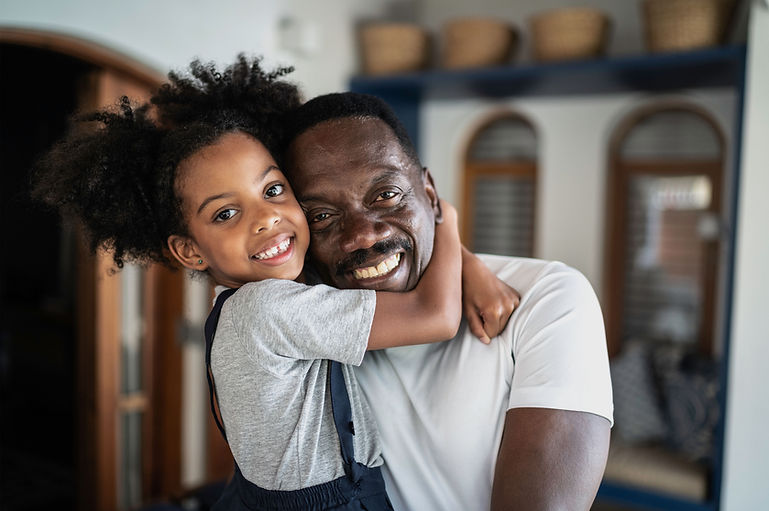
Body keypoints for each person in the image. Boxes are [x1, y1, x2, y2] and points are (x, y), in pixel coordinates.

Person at [31, 57, 515, 510]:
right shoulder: (269, 308)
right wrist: (445, 217)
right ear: (190, 251)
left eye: (273, 190)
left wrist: (468, 263)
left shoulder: (266, 290)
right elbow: (436, 316)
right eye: (226, 213)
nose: (265, 219)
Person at [279, 92, 614, 511]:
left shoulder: (548, 299)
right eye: (322, 217)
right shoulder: (303, 318)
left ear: (430, 194)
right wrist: (458, 247)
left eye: (385, 195)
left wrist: (457, 251)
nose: (362, 234)